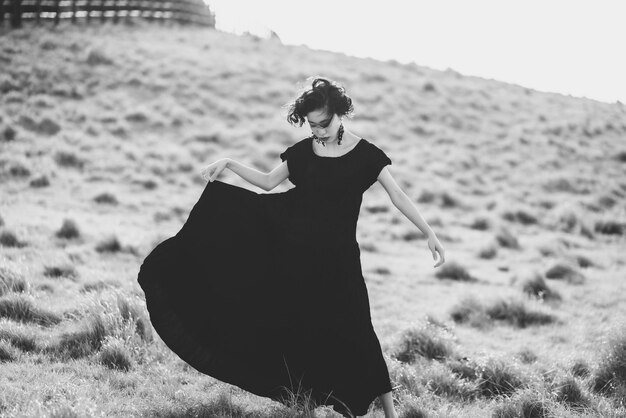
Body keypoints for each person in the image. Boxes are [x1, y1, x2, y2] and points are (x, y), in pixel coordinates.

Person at [137, 77, 445, 418]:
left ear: (340, 113)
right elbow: (269, 182)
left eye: (324, 124)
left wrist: (428, 231)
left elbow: (397, 195)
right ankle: (307, 407)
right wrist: (229, 163)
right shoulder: (302, 152)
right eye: (312, 126)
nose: (318, 131)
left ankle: (388, 413)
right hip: (295, 255)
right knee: (303, 334)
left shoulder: (365, 155)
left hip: (341, 261)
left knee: (360, 332)